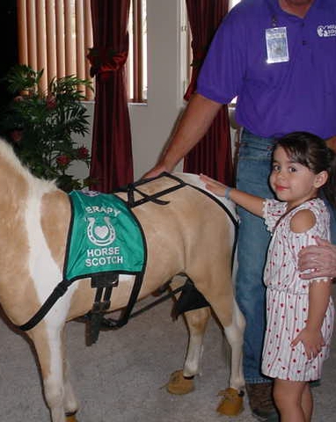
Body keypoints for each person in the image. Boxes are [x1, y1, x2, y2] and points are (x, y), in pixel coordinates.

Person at [144, 1, 336, 419]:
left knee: (318, 265)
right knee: (255, 276)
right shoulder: (246, 19)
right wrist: (167, 161)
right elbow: (209, 95)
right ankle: (263, 374)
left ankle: (301, 366)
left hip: (328, 152)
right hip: (263, 155)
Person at [201, 132, 335, 421]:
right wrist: (225, 191)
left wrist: (312, 328)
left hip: (298, 318)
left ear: (319, 179)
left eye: (293, 169)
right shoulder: (299, 207)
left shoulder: (302, 220)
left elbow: (320, 280)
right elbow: (264, 207)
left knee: (283, 396)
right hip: (292, 313)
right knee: (299, 390)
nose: (280, 176)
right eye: (276, 166)